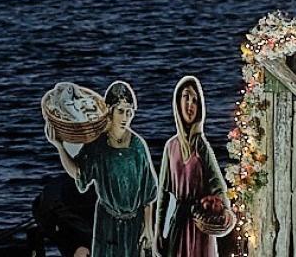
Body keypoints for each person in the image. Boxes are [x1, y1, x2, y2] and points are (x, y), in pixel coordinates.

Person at [48, 81, 159, 257]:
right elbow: (79, 174)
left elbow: (148, 193)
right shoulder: (98, 146)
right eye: (120, 111)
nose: (125, 118)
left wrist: (148, 229)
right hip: (107, 225)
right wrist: (59, 146)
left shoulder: (138, 146)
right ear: (109, 110)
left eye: (129, 112)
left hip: (134, 225)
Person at [155, 76, 231, 257]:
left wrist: (225, 212)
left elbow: (218, 185)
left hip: (200, 224)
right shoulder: (171, 147)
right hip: (178, 223)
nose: (190, 104)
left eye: (195, 100)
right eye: (186, 97)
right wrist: (158, 230)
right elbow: (163, 194)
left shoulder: (201, 146)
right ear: (178, 102)